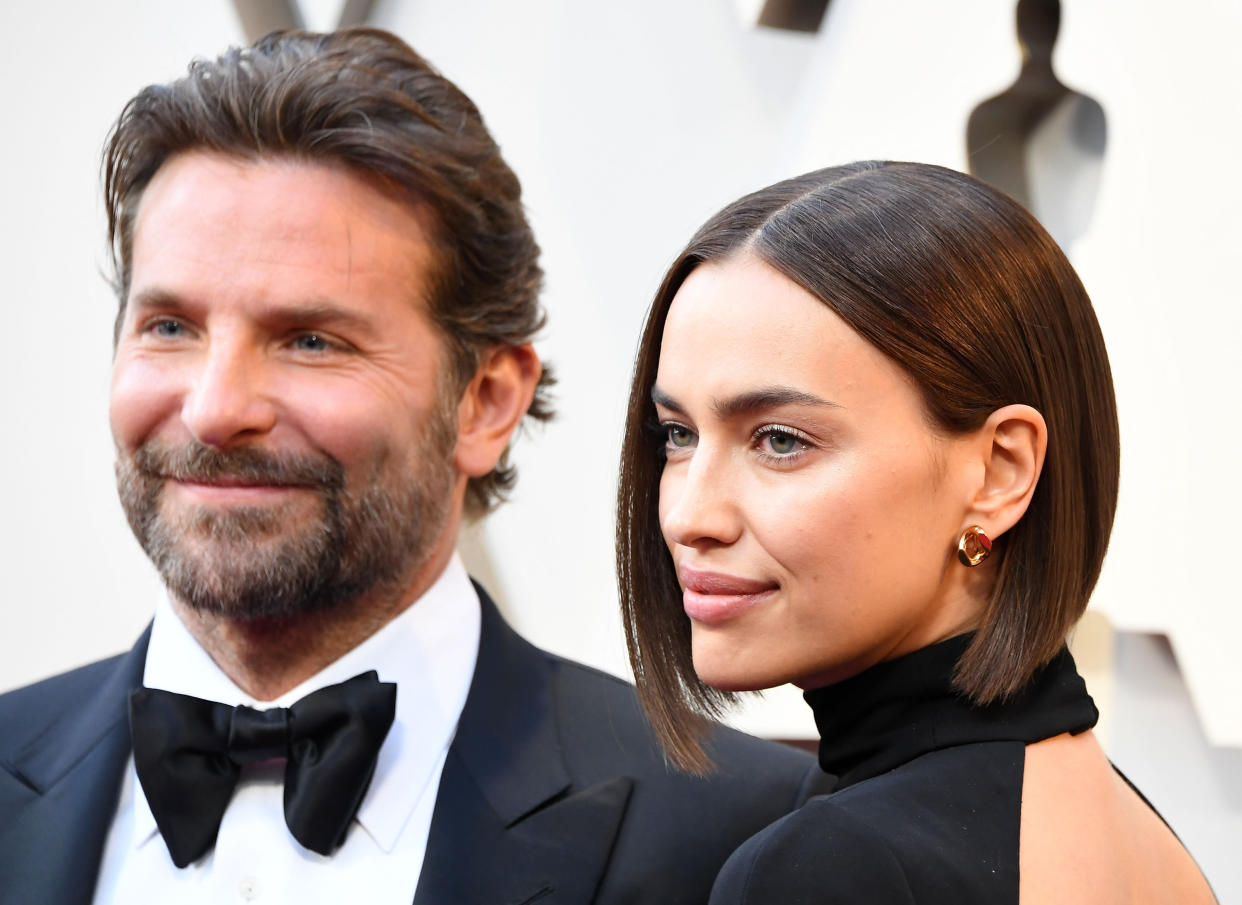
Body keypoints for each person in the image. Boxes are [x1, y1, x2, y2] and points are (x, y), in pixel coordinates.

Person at [0, 28, 826, 905]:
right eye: (169, 327)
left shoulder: (744, 835)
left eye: (310, 340)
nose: (214, 408)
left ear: (486, 401)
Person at [616, 161, 1217, 903]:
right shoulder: (1131, 829)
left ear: (1000, 470)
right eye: (677, 434)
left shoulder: (832, 867)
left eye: (779, 439)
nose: (688, 515)